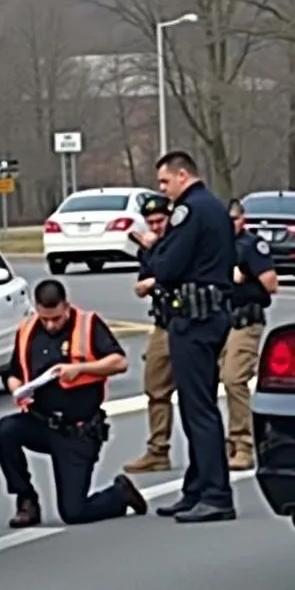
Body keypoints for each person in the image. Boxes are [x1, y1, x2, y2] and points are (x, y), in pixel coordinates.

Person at [0, 278, 149, 528]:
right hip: (41, 421)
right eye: (45, 319)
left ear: (66, 307)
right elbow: (13, 372)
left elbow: (119, 362)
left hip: (77, 430)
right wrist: (17, 389)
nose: (51, 325)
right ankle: (26, 500)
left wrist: (81, 369)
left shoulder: (88, 325)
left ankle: (120, 494)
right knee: (5, 430)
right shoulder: (28, 331)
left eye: (56, 318)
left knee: (73, 512)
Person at [136, 149, 236, 524]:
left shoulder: (190, 211)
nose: (163, 189)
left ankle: (215, 493)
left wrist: (150, 252)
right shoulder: (213, 207)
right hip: (210, 315)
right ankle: (196, 489)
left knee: (199, 410)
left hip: (194, 319)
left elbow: (169, 265)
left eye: (165, 181)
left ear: (182, 176)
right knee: (199, 405)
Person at [221, 197, 278, 470]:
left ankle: (243, 444)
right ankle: (225, 444)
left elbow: (271, 284)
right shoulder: (216, 246)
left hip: (245, 319)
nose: (230, 224)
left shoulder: (251, 246)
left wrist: (244, 274)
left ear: (242, 219)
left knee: (234, 379)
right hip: (218, 320)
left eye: (234, 219)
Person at [124, 192, 176, 473]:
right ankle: (158, 450)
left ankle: (225, 447)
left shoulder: (182, 241)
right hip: (163, 322)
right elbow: (144, 280)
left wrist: (154, 281)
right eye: (151, 222)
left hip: (190, 323)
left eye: (161, 220)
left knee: (201, 391)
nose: (156, 226)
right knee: (156, 387)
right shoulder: (149, 248)